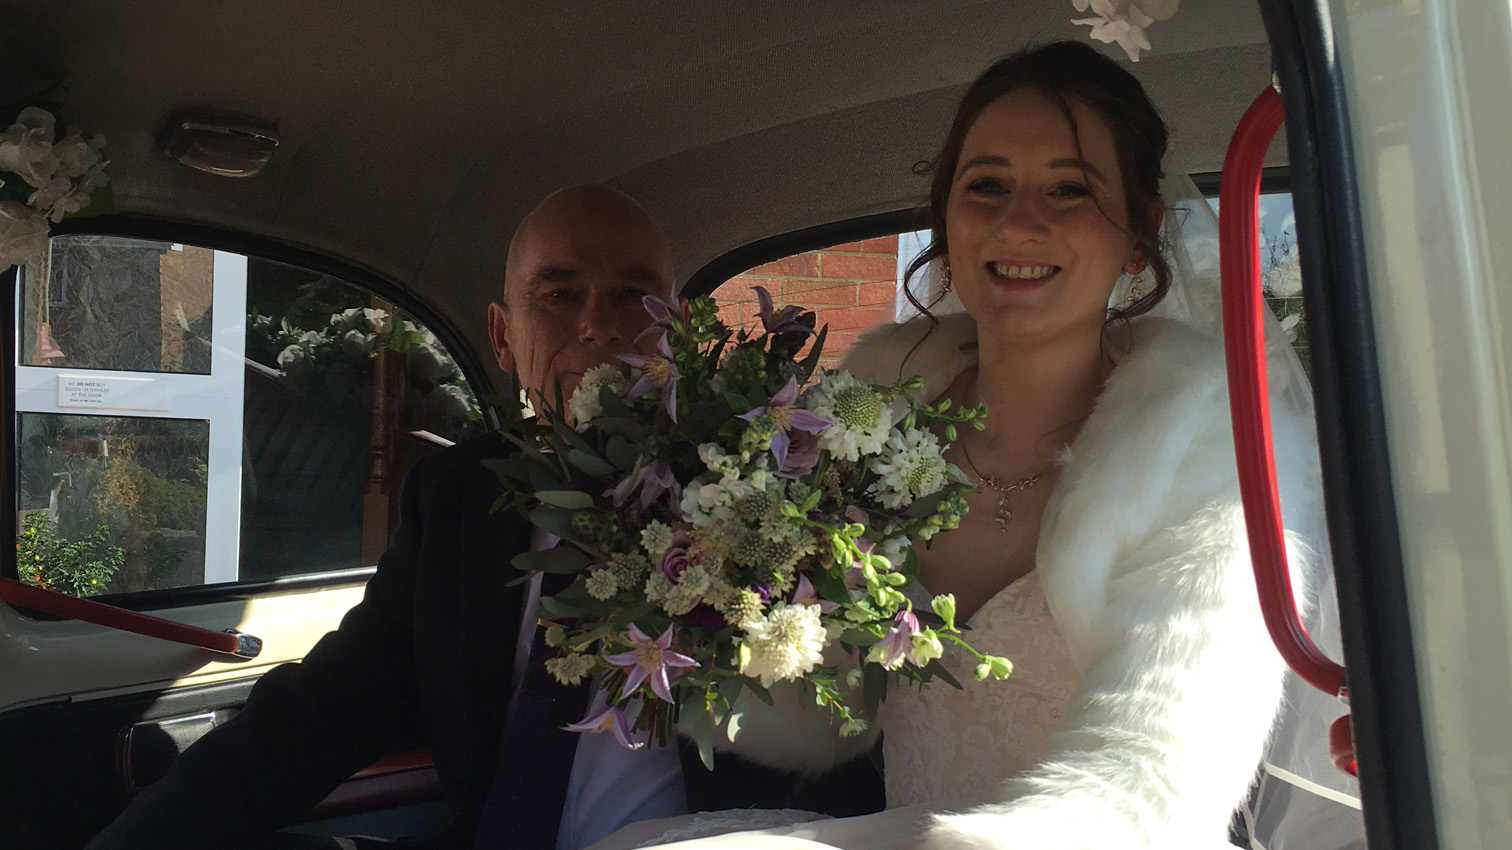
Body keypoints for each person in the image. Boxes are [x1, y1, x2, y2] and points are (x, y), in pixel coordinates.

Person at [583, 41, 1352, 850]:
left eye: (1070, 189)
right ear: (947, 219)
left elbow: (1158, 782)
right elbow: (817, 709)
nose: (1021, 221)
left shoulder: (1214, 455)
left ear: (1139, 233)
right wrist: (707, 601)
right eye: (986, 186)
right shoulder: (862, 417)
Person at [86, 185, 883, 850]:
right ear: (503, 336)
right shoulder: (455, 497)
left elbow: (850, 746)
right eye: (560, 293)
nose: (598, 325)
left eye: (631, 296)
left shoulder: (764, 489)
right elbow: (327, 706)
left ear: (674, 332)